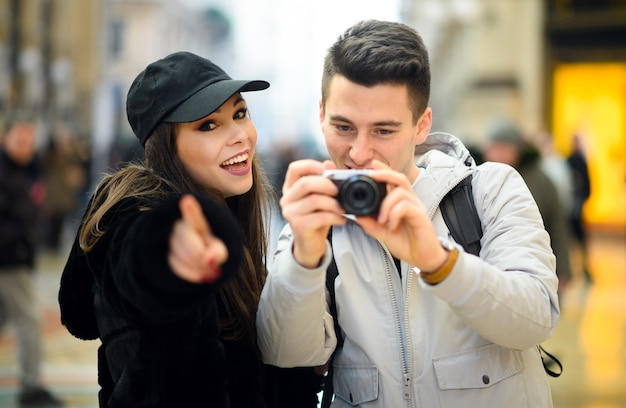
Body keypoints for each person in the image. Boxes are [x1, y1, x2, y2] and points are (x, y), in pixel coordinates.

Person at [256, 20, 560, 407]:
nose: (359, 153)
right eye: (343, 126)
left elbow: (535, 320)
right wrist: (305, 257)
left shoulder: (489, 188)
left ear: (422, 126)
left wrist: (436, 261)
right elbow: (284, 353)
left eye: (383, 131)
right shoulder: (316, 218)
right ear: (321, 115)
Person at [58, 51, 321, 407]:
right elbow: (133, 253)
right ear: (167, 148)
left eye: (240, 113)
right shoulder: (135, 214)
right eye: (208, 125)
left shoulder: (228, 213)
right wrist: (169, 263)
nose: (239, 136)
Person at [0, 115, 64, 407]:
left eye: (29, 140)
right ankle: (31, 387)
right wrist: (20, 239)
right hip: (8, 261)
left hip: (17, 258)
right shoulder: (5, 172)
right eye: (19, 140)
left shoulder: (21, 170)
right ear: (5, 139)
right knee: (28, 320)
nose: (26, 146)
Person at [483, 119, 573, 292]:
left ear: (516, 150)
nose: (496, 154)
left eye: (503, 148)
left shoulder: (540, 181)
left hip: (532, 268)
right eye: (493, 147)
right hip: (489, 270)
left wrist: (563, 270)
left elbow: (557, 227)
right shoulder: (478, 177)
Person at [566, 133, 592, 283]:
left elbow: (587, 184)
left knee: (580, 241)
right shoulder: (572, 160)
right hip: (573, 208)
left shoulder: (578, 160)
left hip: (577, 207)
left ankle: (584, 270)